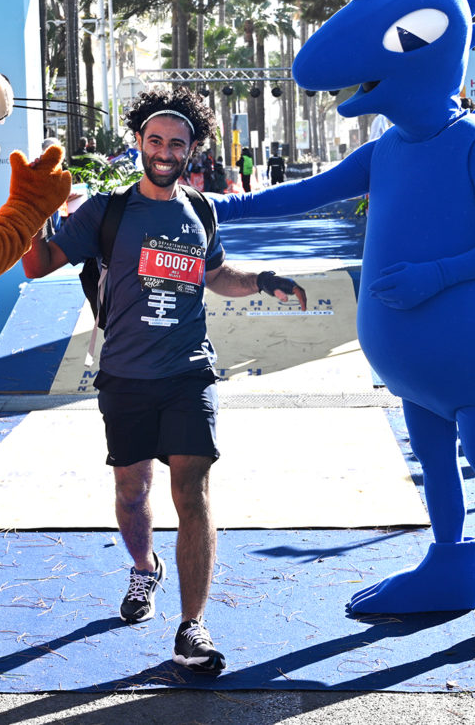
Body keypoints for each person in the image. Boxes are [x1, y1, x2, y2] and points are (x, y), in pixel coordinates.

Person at [21, 86, 306, 675]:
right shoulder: (106, 211)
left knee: (193, 493)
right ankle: (144, 569)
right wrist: (30, 211)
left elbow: (217, 274)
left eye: (177, 142)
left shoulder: (200, 210)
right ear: (139, 143)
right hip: (124, 375)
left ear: (192, 150)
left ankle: (192, 628)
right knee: (133, 493)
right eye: (155, 140)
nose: (165, 150)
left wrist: (265, 280)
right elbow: (38, 264)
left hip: (188, 372)